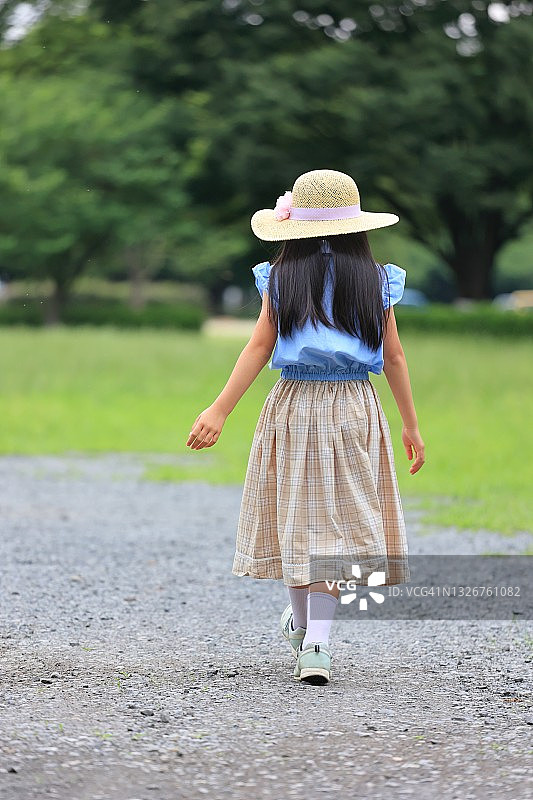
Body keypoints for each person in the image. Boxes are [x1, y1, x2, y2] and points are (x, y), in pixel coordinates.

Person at [186, 169, 425, 686]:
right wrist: (410, 425)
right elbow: (394, 357)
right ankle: (317, 642)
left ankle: (304, 631)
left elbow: (259, 347)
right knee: (335, 526)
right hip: (355, 407)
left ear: (292, 229)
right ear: (358, 228)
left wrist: (219, 409)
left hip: (293, 405)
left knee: (298, 518)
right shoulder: (377, 280)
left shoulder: (282, 278)